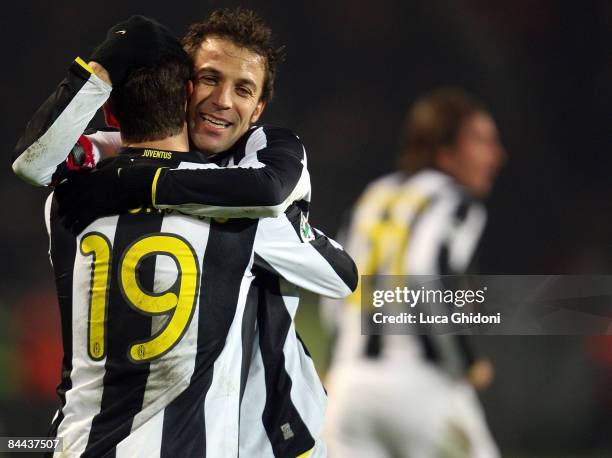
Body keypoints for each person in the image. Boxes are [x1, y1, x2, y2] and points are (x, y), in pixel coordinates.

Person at [13, 15, 356, 457]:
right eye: (209, 79)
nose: (222, 101)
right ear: (184, 86)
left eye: (243, 90)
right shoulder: (249, 218)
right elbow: (340, 271)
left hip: (270, 430)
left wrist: (141, 182)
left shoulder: (84, 188)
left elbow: (280, 201)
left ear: (258, 111)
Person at [323, 87, 505, 458]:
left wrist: (336, 362)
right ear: (446, 151)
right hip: (419, 387)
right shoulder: (452, 198)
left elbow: (332, 282)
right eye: (482, 141)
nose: (496, 155)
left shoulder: (373, 196)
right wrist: (465, 359)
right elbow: (426, 272)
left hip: (348, 389)